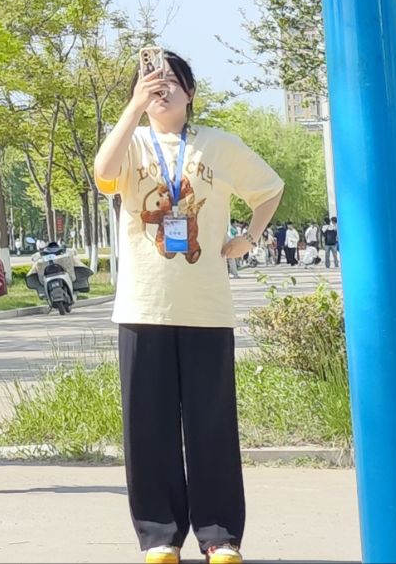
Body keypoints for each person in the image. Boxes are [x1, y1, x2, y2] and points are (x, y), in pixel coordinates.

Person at [94, 49, 283, 564]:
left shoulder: (217, 144)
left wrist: (248, 237)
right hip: (143, 306)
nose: (162, 89)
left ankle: (220, 535)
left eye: (172, 81)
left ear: (191, 91)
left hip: (205, 308)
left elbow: (270, 189)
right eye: (151, 82)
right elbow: (103, 174)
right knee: (147, 427)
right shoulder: (132, 141)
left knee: (211, 425)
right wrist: (133, 107)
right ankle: (160, 536)